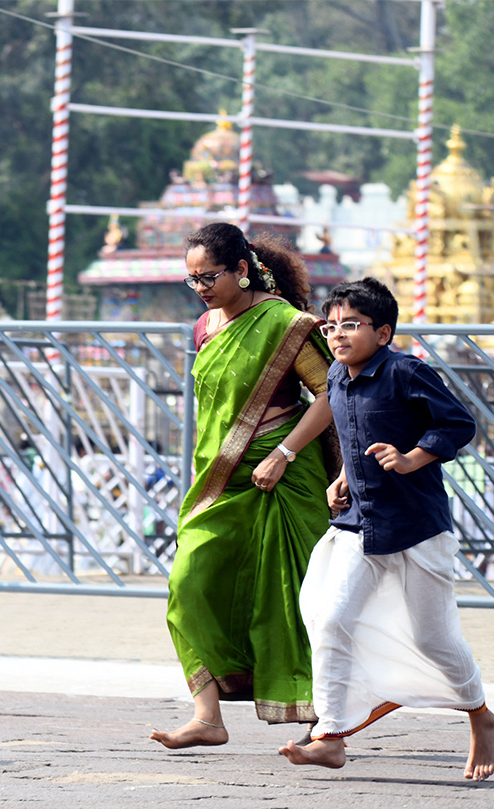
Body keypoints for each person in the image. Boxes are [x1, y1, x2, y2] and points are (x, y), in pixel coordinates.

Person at [278, 278, 494, 780]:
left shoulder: (405, 371)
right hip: (360, 524)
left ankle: (481, 716)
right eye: (331, 327)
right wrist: (343, 478)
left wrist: (411, 458)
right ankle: (329, 735)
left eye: (351, 325)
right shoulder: (336, 376)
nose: (337, 335)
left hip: (417, 526)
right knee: (330, 616)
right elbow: (356, 436)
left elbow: (459, 425)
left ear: (383, 332)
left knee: (433, 636)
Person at [150, 222, 337, 750]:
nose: (201, 288)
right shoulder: (205, 327)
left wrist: (284, 453)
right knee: (189, 583)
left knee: (292, 596)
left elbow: (329, 394)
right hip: (221, 479)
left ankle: (324, 724)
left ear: (241, 269)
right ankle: (207, 717)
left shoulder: (286, 324)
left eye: (209, 276)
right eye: (192, 280)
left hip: (284, 475)